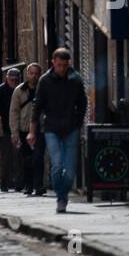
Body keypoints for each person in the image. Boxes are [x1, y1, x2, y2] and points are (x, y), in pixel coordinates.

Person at [29, 47, 87, 213]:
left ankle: (63, 193)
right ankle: (61, 198)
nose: (61, 68)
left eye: (64, 65)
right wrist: (32, 131)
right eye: (59, 64)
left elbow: (82, 103)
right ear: (53, 62)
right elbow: (37, 106)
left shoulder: (75, 79)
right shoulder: (45, 81)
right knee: (56, 164)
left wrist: (78, 123)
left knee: (69, 169)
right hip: (52, 129)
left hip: (71, 128)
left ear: (68, 63)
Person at [10, 63, 44, 195]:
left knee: (38, 157)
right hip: (24, 128)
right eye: (32, 73)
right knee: (27, 158)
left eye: (36, 73)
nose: (34, 76)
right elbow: (13, 112)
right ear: (27, 74)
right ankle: (29, 185)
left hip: (40, 128)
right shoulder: (19, 90)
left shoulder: (43, 89)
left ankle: (39, 185)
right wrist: (14, 132)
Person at [0, 68, 22, 191]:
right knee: (5, 157)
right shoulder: (0, 91)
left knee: (17, 156)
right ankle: (4, 182)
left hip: (18, 127)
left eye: (16, 80)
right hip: (4, 128)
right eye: (12, 79)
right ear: (7, 78)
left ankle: (17, 182)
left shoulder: (22, 90)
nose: (14, 82)